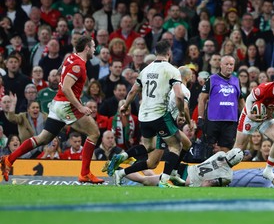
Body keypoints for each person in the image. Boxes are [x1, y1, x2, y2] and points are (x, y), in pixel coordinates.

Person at [0, 35, 104, 184]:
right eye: (93, 46)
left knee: (43, 138)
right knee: (94, 132)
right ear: (87, 48)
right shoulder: (78, 65)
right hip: (67, 105)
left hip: (57, 104)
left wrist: (62, 78)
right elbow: (67, 88)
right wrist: (80, 106)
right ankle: (85, 173)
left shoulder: (71, 58)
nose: (94, 49)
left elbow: (60, 69)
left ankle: (9, 160)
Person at [108, 40, 188, 188]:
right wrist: (182, 113)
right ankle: (164, 181)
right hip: (159, 114)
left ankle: (122, 163)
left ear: (155, 53)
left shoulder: (145, 70)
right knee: (176, 146)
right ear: (169, 53)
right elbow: (179, 95)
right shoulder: (171, 70)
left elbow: (133, 91)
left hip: (143, 115)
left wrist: (125, 105)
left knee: (148, 147)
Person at [234, 73, 274, 186]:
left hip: (265, 116)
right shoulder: (263, 89)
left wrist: (273, 111)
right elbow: (248, 100)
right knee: (238, 148)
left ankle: (268, 170)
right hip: (250, 116)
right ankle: (226, 172)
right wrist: (250, 115)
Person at [108, 148, 244, 187]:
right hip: (187, 180)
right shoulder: (228, 176)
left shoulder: (220, 154)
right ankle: (119, 171)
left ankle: (132, 163)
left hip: (185, 169)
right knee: (146, 181)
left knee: (153, 175)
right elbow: (207, 184)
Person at [197, 55, 245, 153]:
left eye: (231, 64)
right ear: (221, 65)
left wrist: (246, 117)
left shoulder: (236, 81)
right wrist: (200, 117)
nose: (229, 66)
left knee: (227, 148)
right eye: (226, 64)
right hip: (213, 120)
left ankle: (224, 168)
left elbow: (241, 101)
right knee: (209, 147)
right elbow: (202, 99)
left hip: (230, 121)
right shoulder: (212, 79)